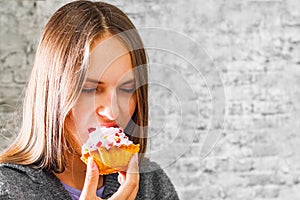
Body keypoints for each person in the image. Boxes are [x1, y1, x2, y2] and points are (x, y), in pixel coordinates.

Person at [0, 1, 179, 199]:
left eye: (127, 88)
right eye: (90, 89)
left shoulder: (152, 185)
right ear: (53, 92)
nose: (112, 112)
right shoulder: (8, 190)